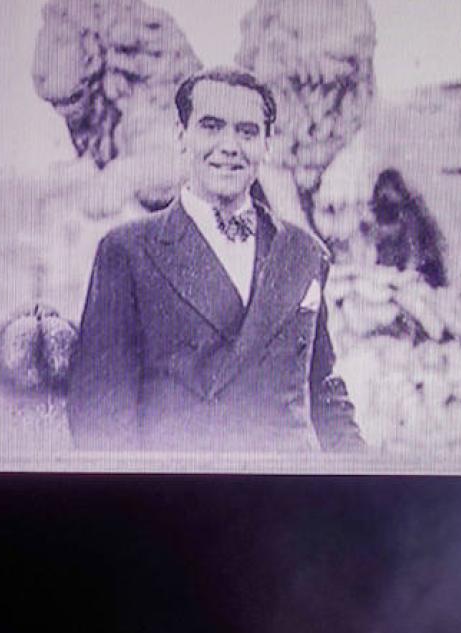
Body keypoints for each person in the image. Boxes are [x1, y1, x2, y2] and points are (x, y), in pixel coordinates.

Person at [67, 66, 364, 455]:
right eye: (211, 126)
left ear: (267, 144)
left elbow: (323, 387)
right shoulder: (127, 251)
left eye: (247, 131)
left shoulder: (305, 252)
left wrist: (366, 478)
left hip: (290, 497)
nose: (229, 146)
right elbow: (101, 419)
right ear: (181, 135)